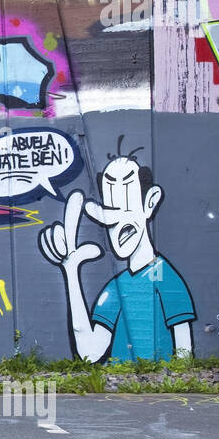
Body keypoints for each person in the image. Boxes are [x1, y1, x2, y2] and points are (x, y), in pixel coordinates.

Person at [39, 141, 196, 363]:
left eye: (127, 208)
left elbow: (184, 353)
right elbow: (89, 353)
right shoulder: (115, 287)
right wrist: (71, 271)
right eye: (110, 215)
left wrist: (175, 378)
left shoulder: (166, 278)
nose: (118, 225)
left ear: (149, 203)